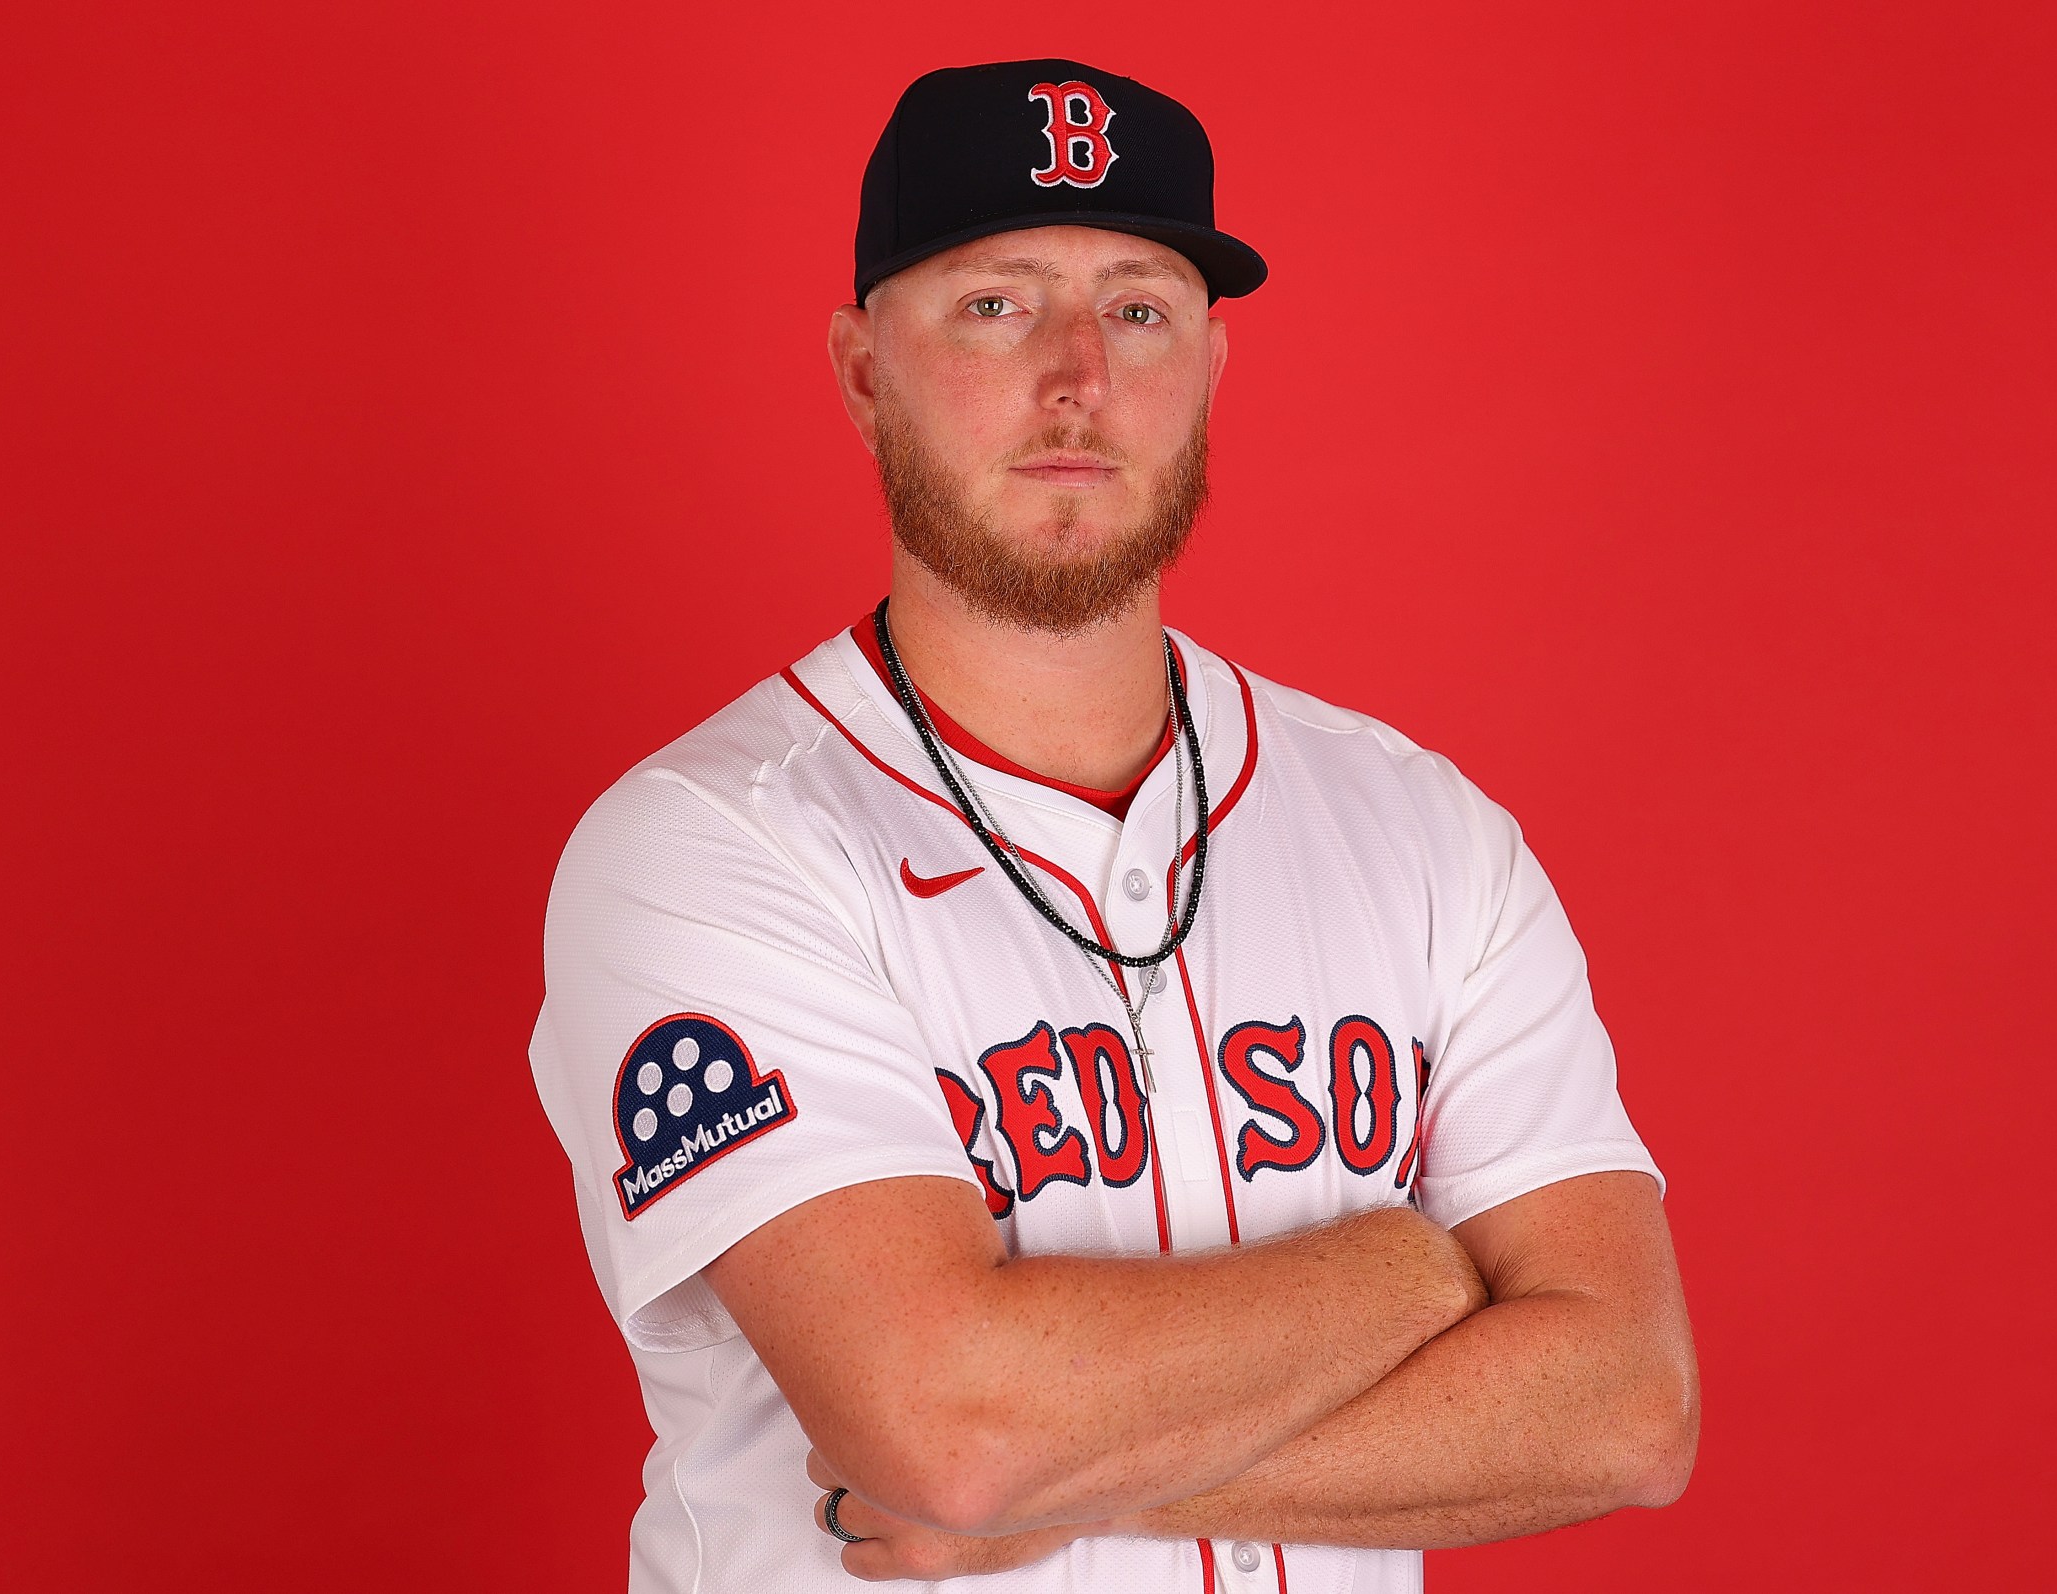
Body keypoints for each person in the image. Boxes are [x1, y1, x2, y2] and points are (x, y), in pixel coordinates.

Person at [529, 57, 1699, 1593]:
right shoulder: (704, 847)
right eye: (998, 303)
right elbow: (943, 1427)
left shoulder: (1425, 831)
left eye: (1139, 307)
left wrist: (1064, 1482)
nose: (1078, 372)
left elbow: (1626, 1404)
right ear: (864, 365)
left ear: (1212, 363)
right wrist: (1417, 1270)